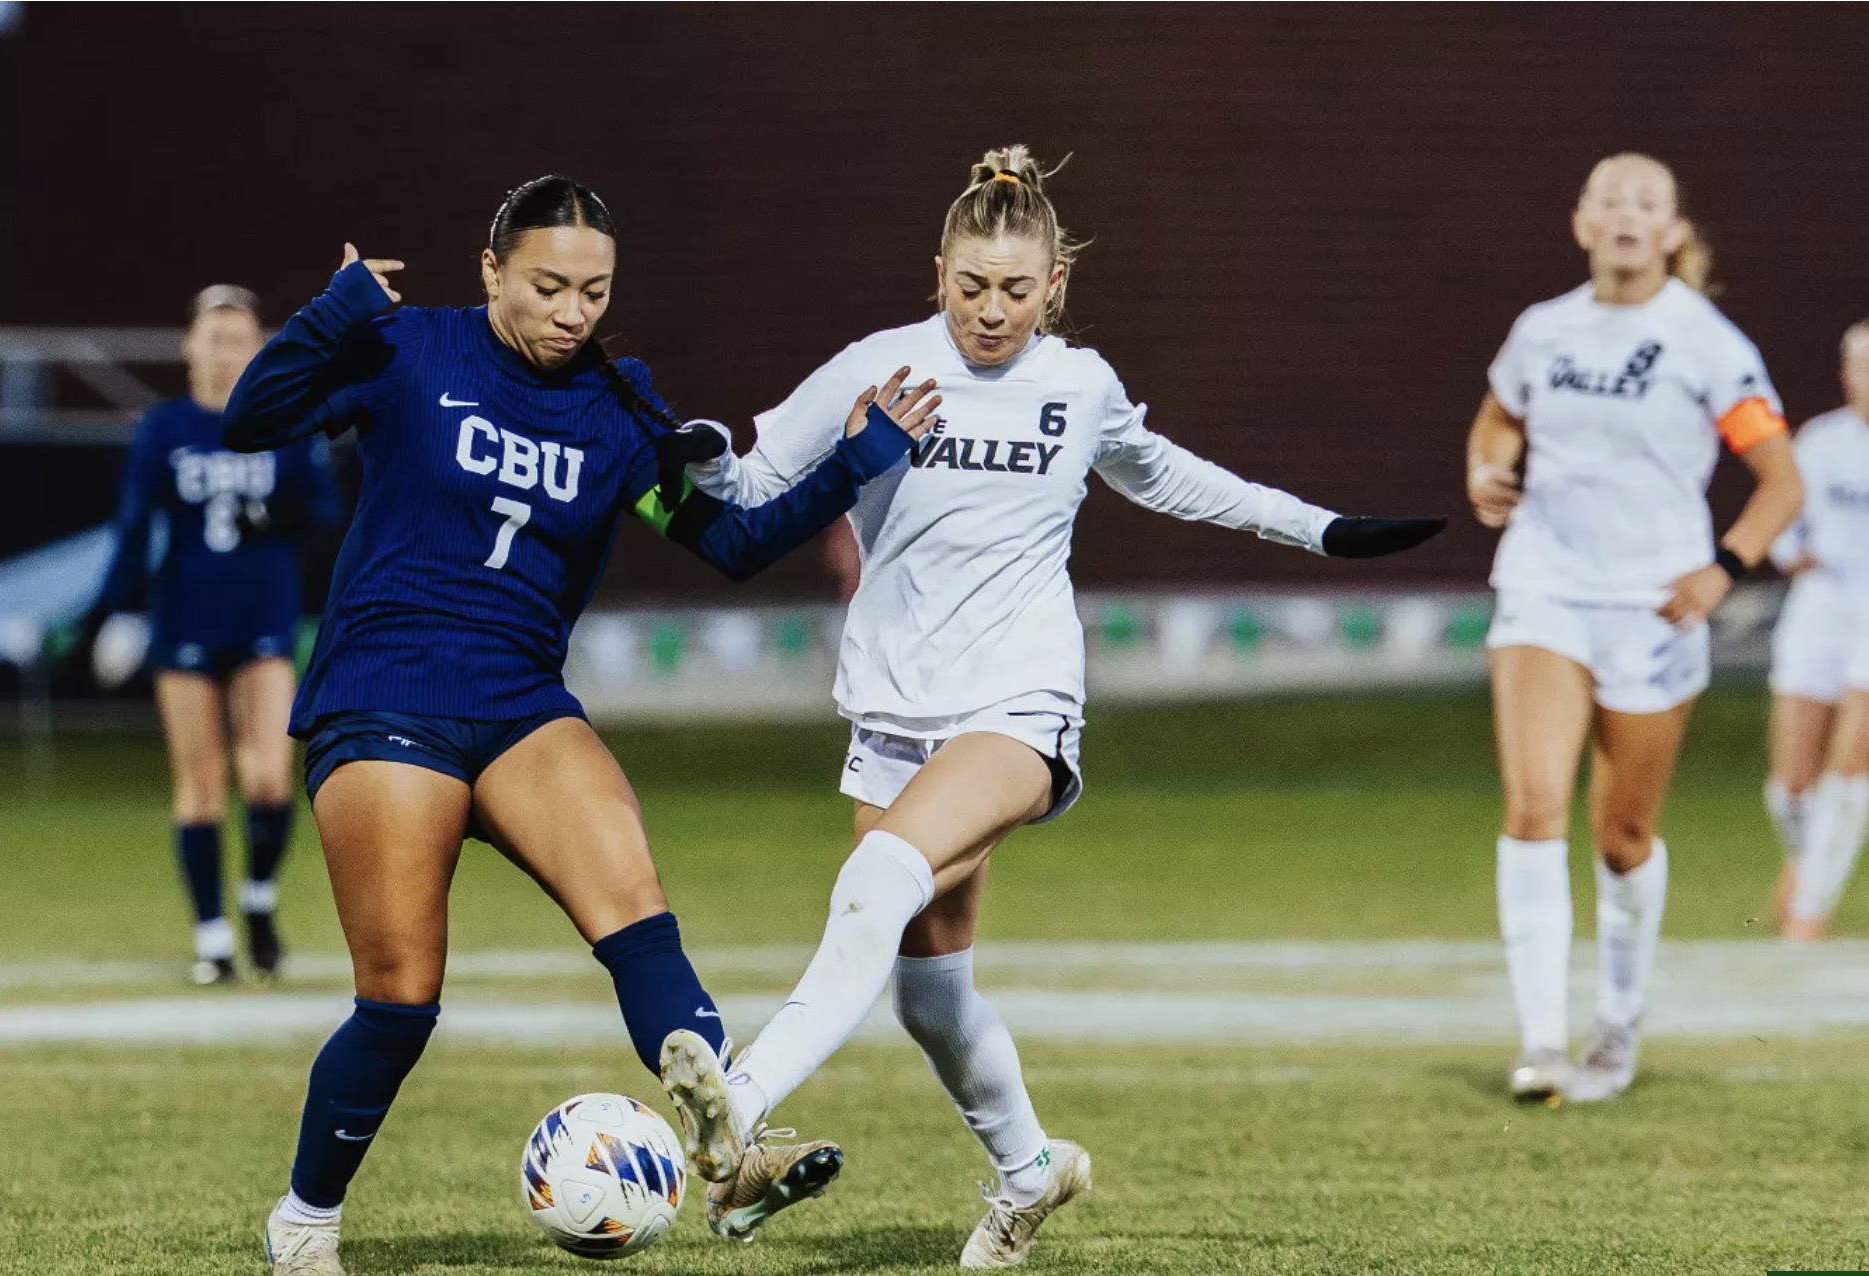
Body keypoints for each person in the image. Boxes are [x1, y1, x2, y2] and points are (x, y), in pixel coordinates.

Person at [663, 145, 1443, 1266]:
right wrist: (695, 462)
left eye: (1014, 290)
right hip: (891, 710)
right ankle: (1030, 1171)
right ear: (936, 271)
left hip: (1019, 700)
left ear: (1055, 287)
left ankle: (737, 1099)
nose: (990, 310)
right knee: (928, 995)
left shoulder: (1077, 386)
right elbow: (750, 480)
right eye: (970, 286)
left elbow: (1171, 474)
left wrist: (1321, 528)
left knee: (873, 880)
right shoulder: (876, 368)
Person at [219, 175, 944, 1276]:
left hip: (518, 700)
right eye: (547, 286)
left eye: (592, 291)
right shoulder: (406, 347)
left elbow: (729, 542)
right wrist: (331, 313)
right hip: (386, 692)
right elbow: (250, 417)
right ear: (490, 270)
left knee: (638, 917)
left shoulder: (614, 410)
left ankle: (723, 1141)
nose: (571, 312)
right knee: (401, 1001)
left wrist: (855, 462)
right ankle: (305, 1219)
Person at [1466, 153, 1802, 1103]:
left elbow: (1781, 483)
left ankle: (1617, 1020)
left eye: (1644, 203)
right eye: (1608, 199)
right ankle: (1540, 1042)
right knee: (1533, 806)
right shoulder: (1543, 331)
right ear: (1580, 225)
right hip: (1546, 586)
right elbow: (1496, 423)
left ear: (1669, 233)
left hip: (1653, 608)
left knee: (1621, 837)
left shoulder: (1705, 342)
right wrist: (1486, 471)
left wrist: (1722, 568)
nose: (1625, 214)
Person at [93, 286, 338, 985]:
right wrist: (120, 609)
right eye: (215, 336)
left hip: (263, 615)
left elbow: (323, 508)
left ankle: (257, 900)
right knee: (199, 783)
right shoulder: (163, 429)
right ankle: (211, 937)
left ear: (259, 349)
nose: (227, 351)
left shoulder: (285, 421)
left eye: (240, 338)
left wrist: (272, 512)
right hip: (186, 618)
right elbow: (135, 526)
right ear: (188, 345)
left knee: (266, 776)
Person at [1775, 321, 1869, 941]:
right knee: (1789, 787)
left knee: (1850, 773)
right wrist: (1793, 552)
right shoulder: (1821, 442)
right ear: (1847, 374)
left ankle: (1806, 916)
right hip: (1820, 609)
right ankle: (1808, 873)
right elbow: (1784, 524)